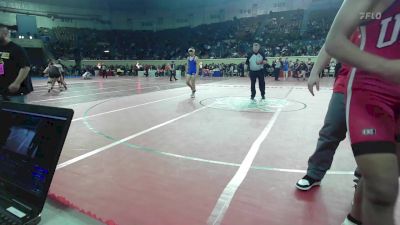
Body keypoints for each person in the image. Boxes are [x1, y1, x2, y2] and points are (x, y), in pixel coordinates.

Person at [324, 0, 400, 224]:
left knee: (383, 176)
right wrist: (387, 68)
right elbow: (333, 42)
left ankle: (354, 219)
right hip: (371, 92)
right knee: (383, 188)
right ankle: (314, 173)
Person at [296, 29, 361, 191]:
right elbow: (330, 43)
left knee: (372, 138)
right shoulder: (354, 14)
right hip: (345, 84)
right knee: (330, 130)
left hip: (381, 86)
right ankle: (314, 173)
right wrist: (315, 71)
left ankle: (363, 182)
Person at [0, 25, 32, 103]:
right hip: (2, 89)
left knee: (18, 113)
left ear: (5, 34)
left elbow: (25, 67)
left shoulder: (17, 49)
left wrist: (16, 83)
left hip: (16, 91)